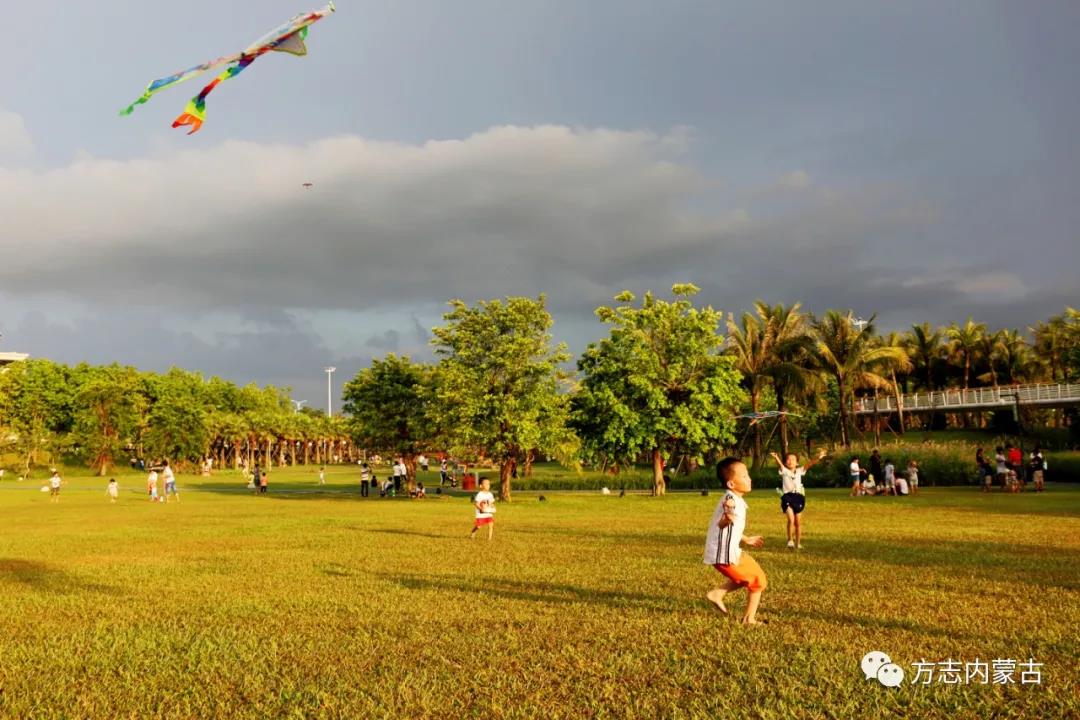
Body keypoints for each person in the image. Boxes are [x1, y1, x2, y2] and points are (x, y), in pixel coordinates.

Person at [704, 458, 766, 625]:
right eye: (744, 476)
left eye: (748, 475)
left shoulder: (735, 499)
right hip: (724, 554)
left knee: (752, 578)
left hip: (728, 550)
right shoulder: (730, 501)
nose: (749, 479)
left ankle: (717, 594)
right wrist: (726, 519)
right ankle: (748, 619)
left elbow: (731, 527)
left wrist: (746, 538)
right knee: (758, 580)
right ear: (731, 484)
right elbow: (723, 522)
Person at [769, 449, 826, 549]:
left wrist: (819, 457)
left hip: (798, 497)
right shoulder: (784, 471)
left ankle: (798, 543)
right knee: (791, 519)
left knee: (798, 523)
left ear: (797, 463)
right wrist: (776, 457)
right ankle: (790, 540)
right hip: (787, 497)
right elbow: (780, 465)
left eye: (793, 459)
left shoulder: (800, 471)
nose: (790, 461)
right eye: (788, 459)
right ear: (785, 462)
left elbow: (810, 464)